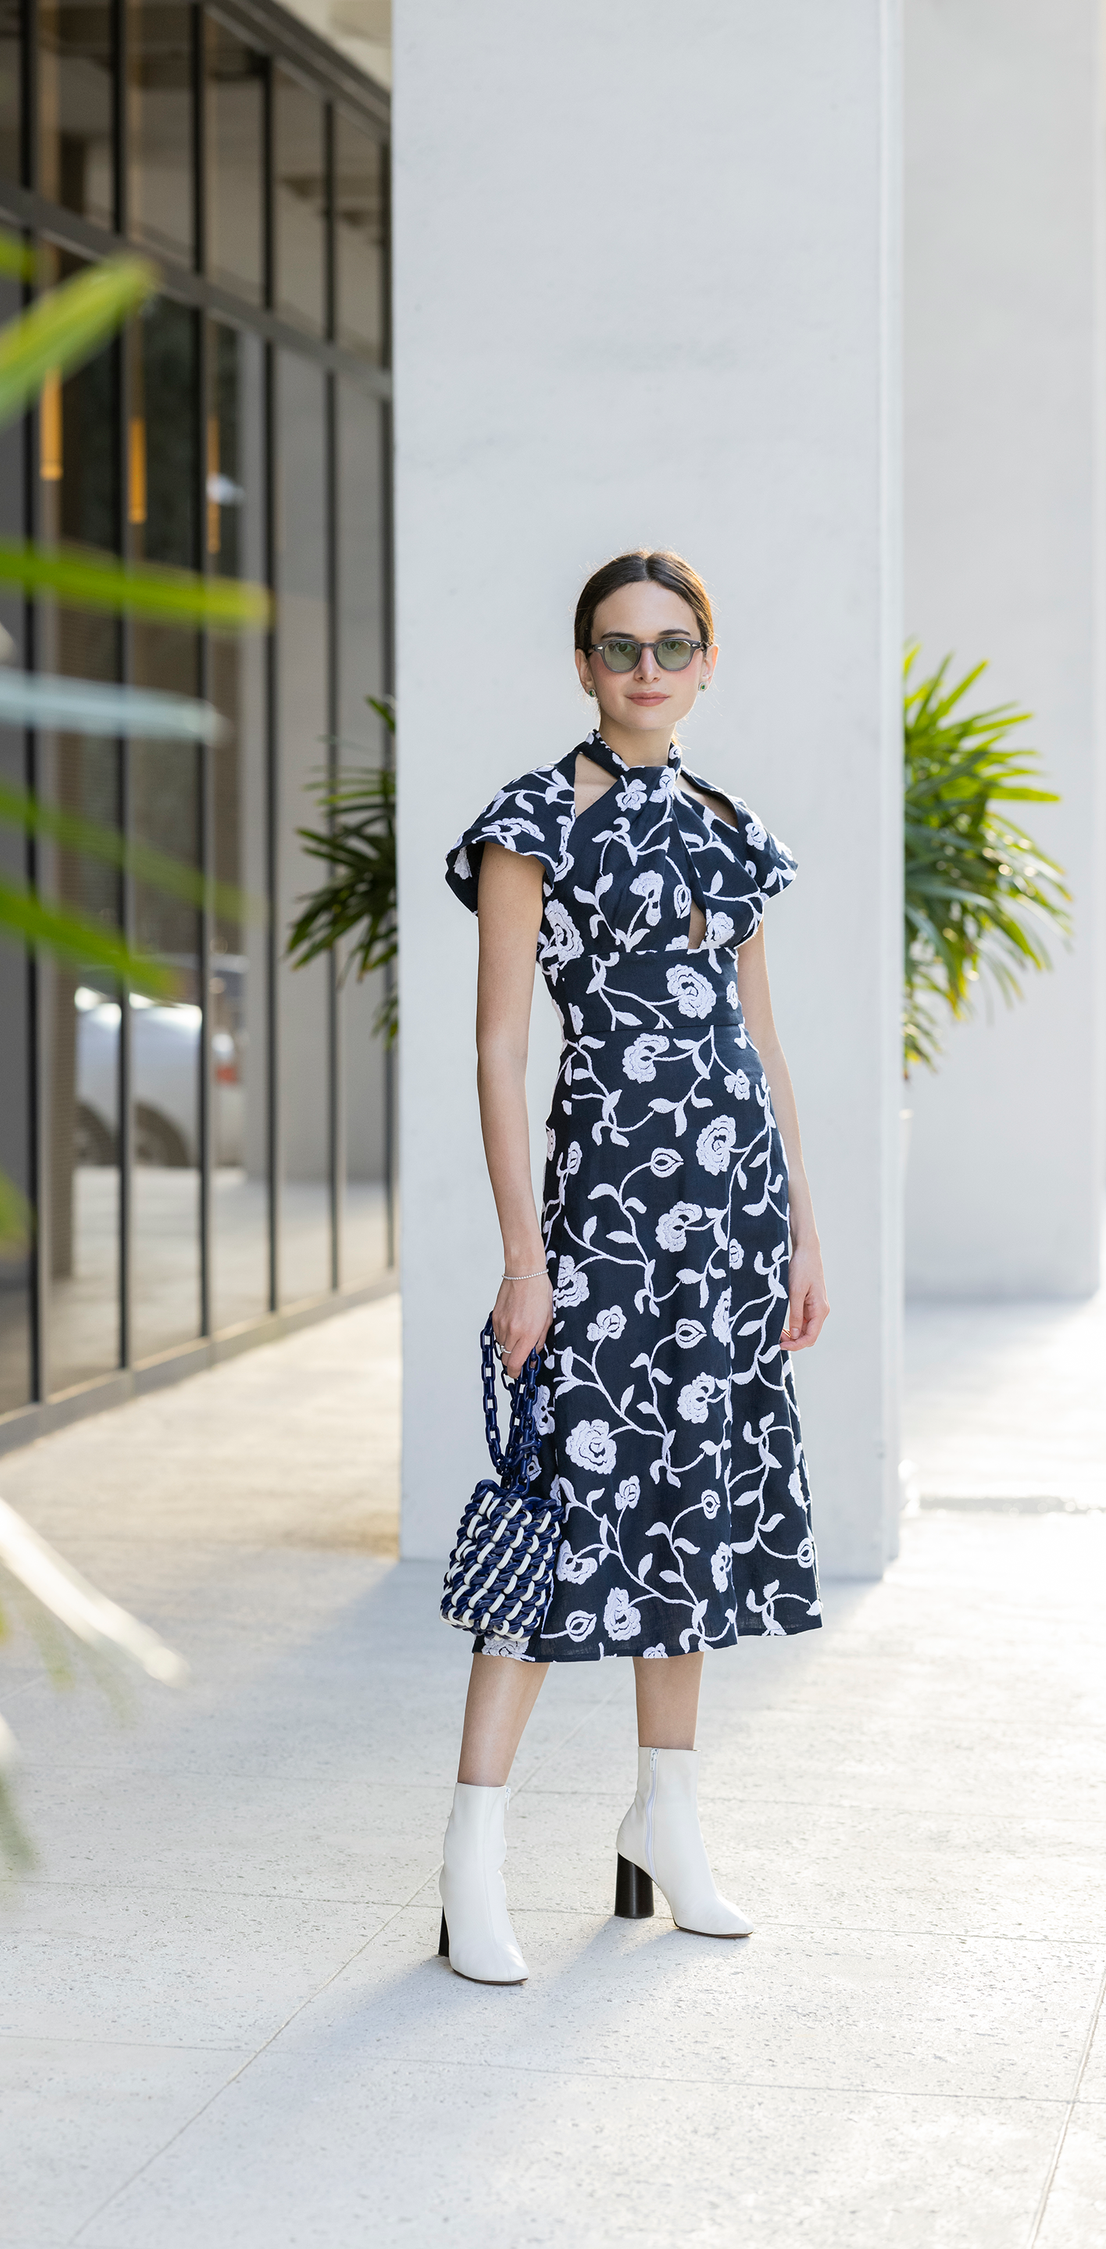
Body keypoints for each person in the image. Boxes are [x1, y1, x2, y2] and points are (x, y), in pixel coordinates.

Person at [436, 548, 830, 1984]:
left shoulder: (729, 827)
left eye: (673, 646)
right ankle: (472, 1853)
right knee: (561, 1515)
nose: (647, 669)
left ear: (707, 663)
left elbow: (761, 1044)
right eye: (620, 646)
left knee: (697, 1510)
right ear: (585, 666)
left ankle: (667, 1818)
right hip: (599, 1220)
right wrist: (522, 1256)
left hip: (729, 1229)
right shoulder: (529, 822)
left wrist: (800, 1227)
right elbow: (498, 1046)